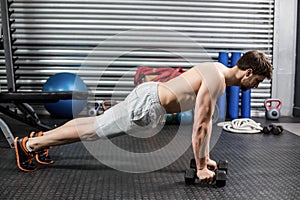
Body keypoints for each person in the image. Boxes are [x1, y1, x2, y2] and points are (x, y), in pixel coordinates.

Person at [14, 50, 272, 184]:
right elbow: (201, 126)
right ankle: (28, 145)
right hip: (148, 104)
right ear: (248, 72)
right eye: (258, 81)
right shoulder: (217, 80)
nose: (256, 86)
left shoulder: (217, 69)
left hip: (150, 96)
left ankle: (41, 139)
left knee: (91, 125)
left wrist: (205, 158)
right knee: (92, 130)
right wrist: (202, 167)